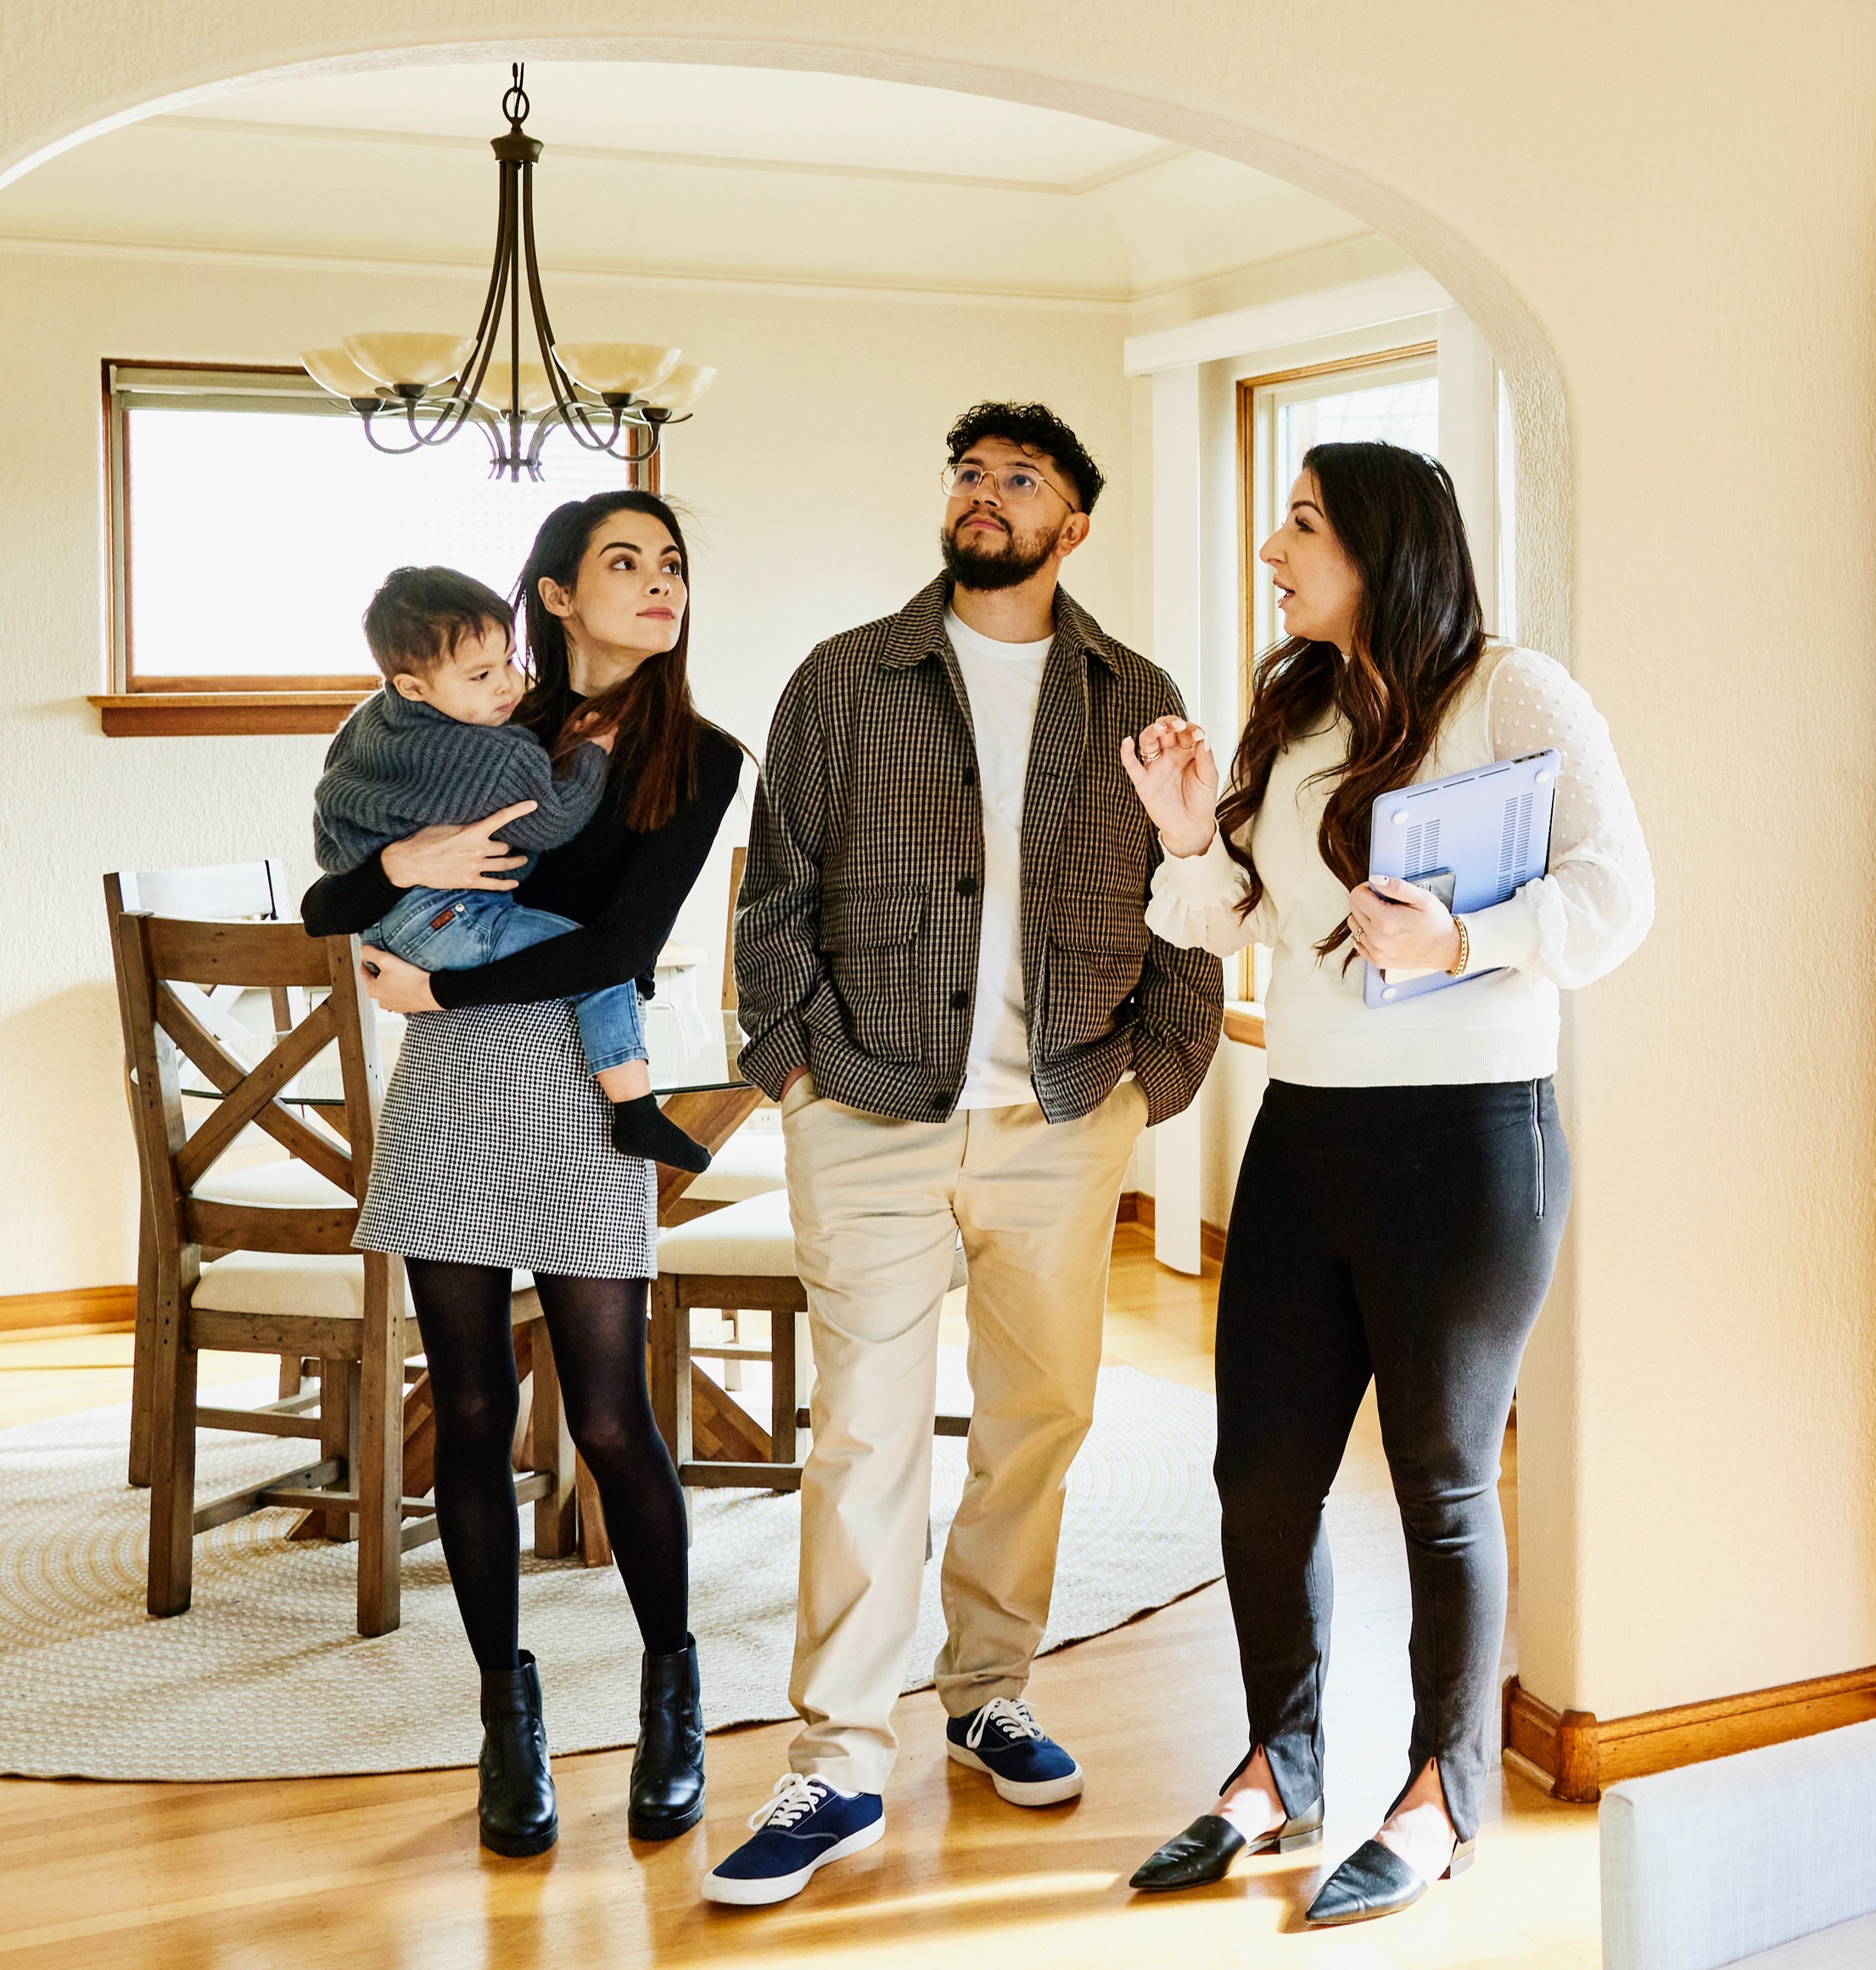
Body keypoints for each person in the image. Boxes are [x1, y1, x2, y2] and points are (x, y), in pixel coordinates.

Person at [1117, 440, 1652, 1925]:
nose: (1273, 549)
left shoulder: (1512, 691)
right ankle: (1275, 1768)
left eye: (1300, 524)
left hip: (1471, 1140)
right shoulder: (1289, 705)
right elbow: (1241, 917)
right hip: (1304, 1128)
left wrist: (1464, 940)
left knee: (1440, 1478)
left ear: (1383, 544)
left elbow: (1618, 894)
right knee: (1261, 1472)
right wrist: (1180, 824)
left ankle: (1440, 1794)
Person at [707, 402, 1223, 1906]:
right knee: (863, 1432)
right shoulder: (844, 677)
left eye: (1018, 483)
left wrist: (1159, 1074)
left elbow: (1187, 876)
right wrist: (790, 1064)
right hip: (867, 1103)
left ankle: (988, 1684)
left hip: (1064, 1116)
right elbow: (772, 886)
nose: (982, 497)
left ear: (1072, 527)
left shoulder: (1135, 692)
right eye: (969, 475)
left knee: (1038, 1419)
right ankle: (837, 1760)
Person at [300, 491, 745, 1859]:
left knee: (612, 1418)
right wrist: (401, 862)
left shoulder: (703, 755)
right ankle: (509, 1709)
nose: (659, 582)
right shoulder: (481, 719)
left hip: (574, 1089)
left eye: (673, 562)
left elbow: (620, 940)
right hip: (449, 1108)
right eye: (626, 561)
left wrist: (430, 986)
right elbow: (326, 908)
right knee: (476, 1412)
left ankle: (672, 1686)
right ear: (552, 594)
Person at [311, 565, 709, 1172]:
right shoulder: (490, 750)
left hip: (404, 937)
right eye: (481, 674)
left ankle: (634, 1114)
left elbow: (333, 866)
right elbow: (551, 822)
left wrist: (427, 976)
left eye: (507, 662)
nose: (507, 685)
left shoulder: (372, 724)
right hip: (450, 934)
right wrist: (590, 759)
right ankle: (635, 1111)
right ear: (558, 595)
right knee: (605, 973)